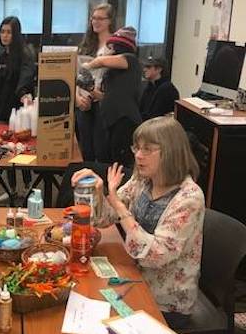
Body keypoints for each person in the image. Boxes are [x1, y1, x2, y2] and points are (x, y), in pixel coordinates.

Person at [71, 116, 204, 329]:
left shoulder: (189, 198)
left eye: (148, 149)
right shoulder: (143, 180)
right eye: (137, 148)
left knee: (96, 323)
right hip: (136, 278)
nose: (138, 155)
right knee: (80, 292)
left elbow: (155, 256)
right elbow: (105, 219)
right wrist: (97, 190)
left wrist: (120, 206)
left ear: (171, 152)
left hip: (166, 303)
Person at [83, 26, 143, 167]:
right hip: (112, 119)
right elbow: (106, 97)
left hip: (125, 119)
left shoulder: (130, 60)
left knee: (121, 162)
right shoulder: (116, 71)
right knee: (108, 158)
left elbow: (100, 61)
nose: (109, 50)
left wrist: (85, 65)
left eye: (112, 47)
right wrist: (89, 88)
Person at [75, 3, 116, 162]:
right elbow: (77, 75)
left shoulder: (113, 47)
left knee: (101, 149)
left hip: (101, 101)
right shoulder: (85, 45)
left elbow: (111, 78)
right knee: (85, 150)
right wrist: (78, 100)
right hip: (82, 101)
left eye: (100, 18)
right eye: (93, 18)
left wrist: (94, 94)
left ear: (110, 21)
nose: (95, 22)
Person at [0, 16, 36, 122]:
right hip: (1, 112)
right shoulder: (0, 58)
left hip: (19, 112)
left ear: (15, 34)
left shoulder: (25, 56)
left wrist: (22, 92)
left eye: (9, 32)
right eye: (2, 32)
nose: (5, 35)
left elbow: (25, 77)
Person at [139, 56, 180, 120]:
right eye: (145, 67)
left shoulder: (167, 89)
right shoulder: (150, 87)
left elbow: (155, 115)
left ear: (159, 69)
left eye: (148, 67)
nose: (144, 69)